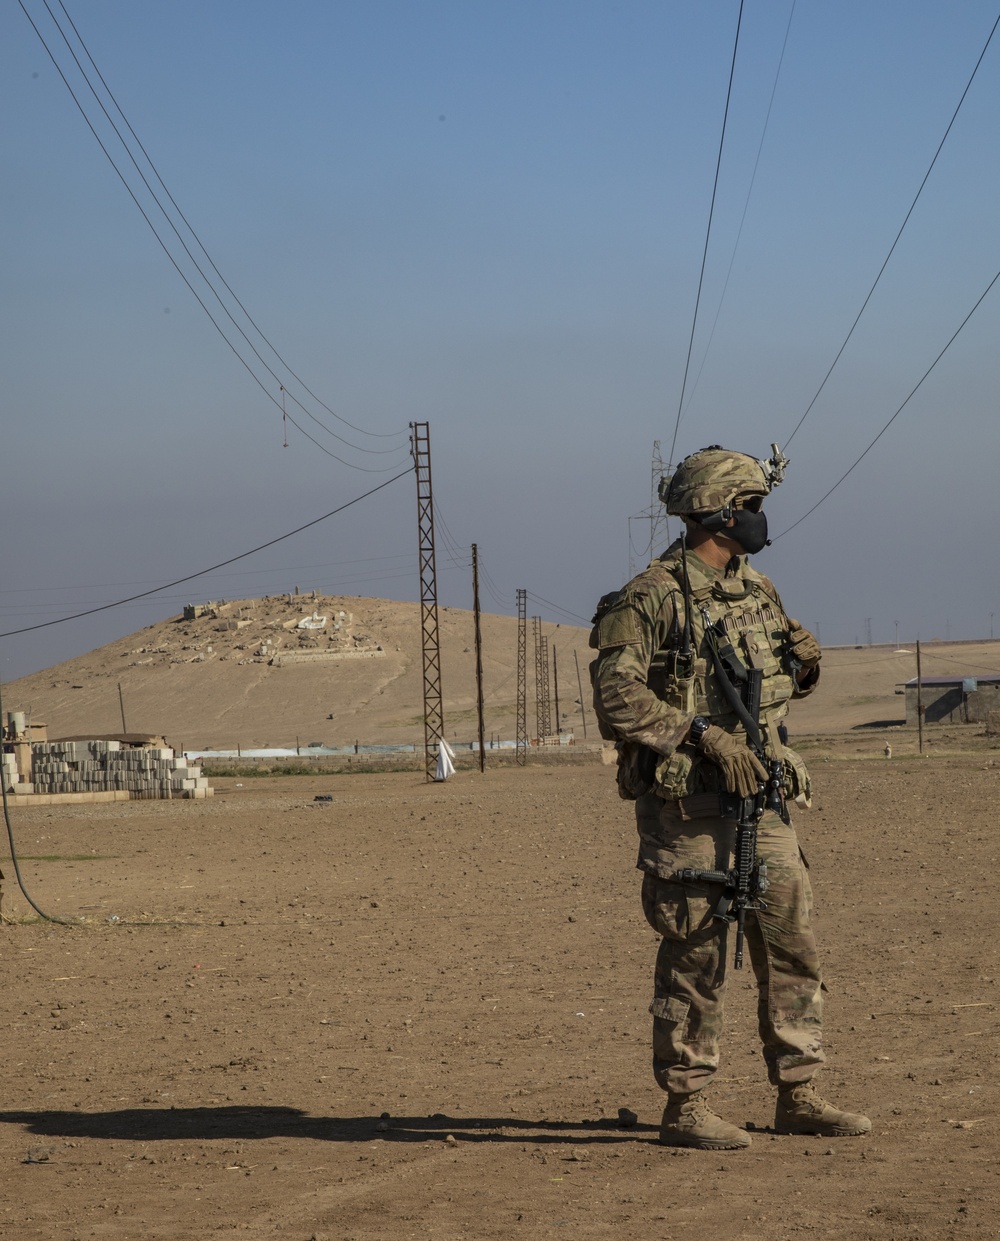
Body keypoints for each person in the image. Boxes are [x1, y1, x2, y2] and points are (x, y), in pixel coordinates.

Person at [591, 444, 869, 1151]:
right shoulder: (651, 596)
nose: (760, 520)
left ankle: (798, 1092)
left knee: (792, 940)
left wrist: (804, 667)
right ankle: (685, 1105)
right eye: (750, 507)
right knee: (695, 954)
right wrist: (701, 735)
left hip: (763, 800)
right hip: (690, 810)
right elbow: (617, 694)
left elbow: (770, 689)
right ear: (716, 512)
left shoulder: (759, 590)